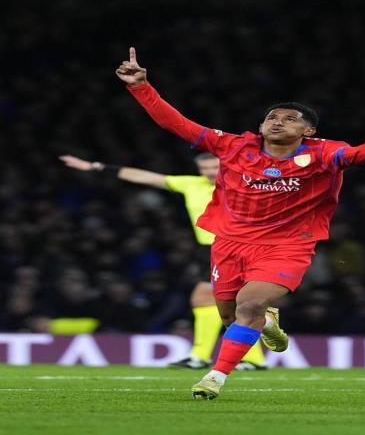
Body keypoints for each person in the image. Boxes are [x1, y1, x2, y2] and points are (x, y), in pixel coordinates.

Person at [116, 47, 365, 400]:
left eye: (290, 119)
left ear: (309, 130)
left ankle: (214, 377)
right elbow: (177, 124)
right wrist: (139, 86)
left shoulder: (322, 154)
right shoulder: (234, 146)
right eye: (272, 117)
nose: (278, 121)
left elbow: (362, 154)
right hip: (229, 243)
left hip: (287, 245)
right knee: (231, 318)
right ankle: (268, 321)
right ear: (261, 125)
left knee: (248, 306)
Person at [59, 152, 268, 370]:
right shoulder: (191, 184)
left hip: (236, 247)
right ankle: (242, 359)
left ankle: (206, 356)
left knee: (211, 298)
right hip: (209, 249)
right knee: (219, 301)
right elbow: (144, 177)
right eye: (204, 169)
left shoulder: (244, 185)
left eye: (214, 167)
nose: (209, 173)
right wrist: (96, 166)